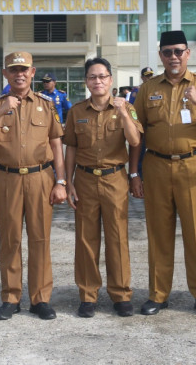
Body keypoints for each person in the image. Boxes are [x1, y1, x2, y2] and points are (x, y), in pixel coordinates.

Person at [133, 31, 196, 318]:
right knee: (159, 234)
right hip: (156, 166)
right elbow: (137, 134)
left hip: (193, 166)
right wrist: (133, 174)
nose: (173, 57)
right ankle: (158, 295)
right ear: (160, 56)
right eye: (167, 52)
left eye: (178, 51)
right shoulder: (148, 89)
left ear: (188, 53)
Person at [0, 51, 67, 321]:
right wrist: (2, 111)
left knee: (40, 238)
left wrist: (61, 181)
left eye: (24, 69)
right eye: (13, 69)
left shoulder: (46, 103)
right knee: (10, 239)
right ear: (5, 73)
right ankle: (10, 297)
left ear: (32, 72)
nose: (19, 74)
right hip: (8, 179)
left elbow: (56, 143)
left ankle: (40, 298)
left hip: (41, 178)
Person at [64, 57, 142, 318]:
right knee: (86, 239)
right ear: (86, 81)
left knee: (117, 237)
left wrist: (122, 112)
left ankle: (120, 294)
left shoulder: (125, 107)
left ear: (111, 79)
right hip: (85, 180)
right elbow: (71, 147)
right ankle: (88, 295)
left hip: (114, 179)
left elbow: (135, 140)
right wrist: (68, 181)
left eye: (102, 77)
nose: (97, 81)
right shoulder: (76, 111)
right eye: (92, 77)